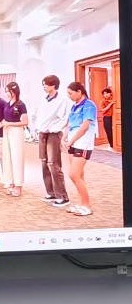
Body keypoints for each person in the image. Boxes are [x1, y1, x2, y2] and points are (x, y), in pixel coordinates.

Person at [34, 74, 70, 206]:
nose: (44, 86)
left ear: (53, 85)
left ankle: (63, 196)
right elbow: (37, 115)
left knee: (53, 164)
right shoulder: (43, 99)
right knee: (44, 163)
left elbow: (65, 118)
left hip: (53, 134)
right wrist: (37, 128)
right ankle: (51, 193)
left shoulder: (62, 100)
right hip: (42, 133)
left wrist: (55, 128)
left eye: (46, 84)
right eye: (43, 84)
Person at [64, 81, 98, 216]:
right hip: (73, 143)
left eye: (70, 93)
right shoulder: (74, 106)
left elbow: (84, 127)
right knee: (79, 176)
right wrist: (64, 137)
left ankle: (87, 206)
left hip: (83, 143)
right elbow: (69, 124)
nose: (69, 96)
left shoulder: (89, 105)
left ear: (79, 91)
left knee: (74, 174)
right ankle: (81, 203)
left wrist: (71, 140)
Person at [1, 81, 29, 197]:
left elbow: (25, 122)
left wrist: (9, 123)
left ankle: (18, 185)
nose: (7, 93)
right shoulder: (7, 104)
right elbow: (6, 118)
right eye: (6, 91)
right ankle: (10, 182)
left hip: (17, 132)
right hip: (7, 131)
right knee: (8, 158)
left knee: (17, 158)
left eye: (8, 91)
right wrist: (3, 123)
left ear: (14, 91)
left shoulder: (21, 105)